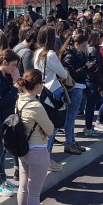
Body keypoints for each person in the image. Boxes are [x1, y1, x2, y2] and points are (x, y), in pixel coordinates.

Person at [15, 69, 53, 205]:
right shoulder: (36, 105)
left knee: (23, 187)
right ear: (37, 85)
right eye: (42, 84)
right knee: (35, 193)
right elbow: (50, 130)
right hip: (37, 149)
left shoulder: (20, 101)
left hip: (22, 149)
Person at [0, 49, 21, 195]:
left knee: (1, 152)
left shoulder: (3, 75)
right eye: (13, 65)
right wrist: (14, 89)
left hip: (4, 119)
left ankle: (3, 180)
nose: (15, 69)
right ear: (4, 62)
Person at [33, 26, 67, 171]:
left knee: (42, 127)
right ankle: (47, 159)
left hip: (41, 92)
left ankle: (43, 158)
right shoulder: (51, 54)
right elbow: (63, 74)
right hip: (53, 92)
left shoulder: (37, 52)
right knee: (53, 127)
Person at [61, 33, 90, 155]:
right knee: (71, 117)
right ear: (76, 44)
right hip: (74, 87)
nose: (84, 49)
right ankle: (69, 142)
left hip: (78, 86)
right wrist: (86, 67)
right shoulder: (70, 55)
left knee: (72, 117)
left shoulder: (75, 54)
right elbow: (72, 74)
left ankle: (72, 141)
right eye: (83, 46)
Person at [83, 30, 103, 137]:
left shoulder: (87, 48)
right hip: (92, 80)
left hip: (88, 79)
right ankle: (88, 127)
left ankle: (88, 126)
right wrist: (101, 84)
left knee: (89, 105)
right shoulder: (94, 50)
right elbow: (96, 69)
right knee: (90, 106)